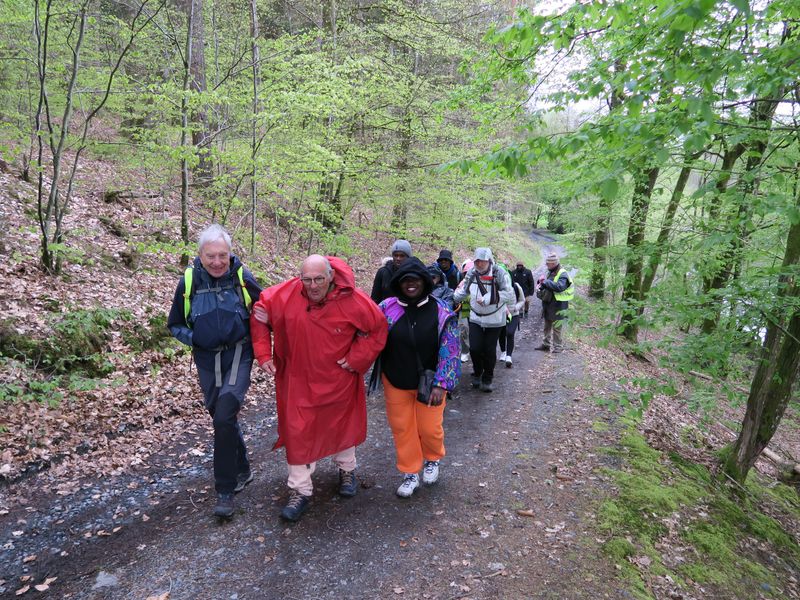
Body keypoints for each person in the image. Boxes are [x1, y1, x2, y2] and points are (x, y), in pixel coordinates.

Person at [250, 255, 387, 522]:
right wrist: (264, 355)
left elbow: (378, 328)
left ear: (331, 276)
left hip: (339, 378)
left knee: (342, 424)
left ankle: (347, 471)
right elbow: (258, 315)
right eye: (307, 280)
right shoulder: (285, 294)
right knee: (298, 431)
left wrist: (357, 359)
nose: (312, 286)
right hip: (298, 380)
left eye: (319, 279)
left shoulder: (353, 299)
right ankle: (300, 490)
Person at [167, 224, 262, 519]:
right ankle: (243, 468)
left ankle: (225, 490)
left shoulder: (242, 278)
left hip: (238, 354)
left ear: (231, 254)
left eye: (223, 255)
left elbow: (265, 311)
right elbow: (175, 324)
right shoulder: (189, 281)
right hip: (207, 359)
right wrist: (194, 339)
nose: (217, 262)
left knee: (223, 415)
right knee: (221, 417)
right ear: (201, 255)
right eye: (211, 256)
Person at [377, 258, 460, 498]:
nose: (410, 284)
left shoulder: (441, 310)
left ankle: (433, 459)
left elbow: (451, 349)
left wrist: (442, 384)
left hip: (430, 383)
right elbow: (366, 331)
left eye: (415, 280)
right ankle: (410, 472)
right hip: (395, 379)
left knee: (429, 428)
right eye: (405, 280)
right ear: (398, 283)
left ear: (424, 282)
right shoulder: (386, 308)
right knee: (402, 428)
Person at [453, 248, 515, 393]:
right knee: (474, 348)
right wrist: (454, 297)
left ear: (489, 261)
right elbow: (465, 290)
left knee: (488, 349)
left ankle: (487, 378)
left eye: (482, 261)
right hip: (475, 317)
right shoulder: (472, 272)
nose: (479, 264)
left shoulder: (499, 273)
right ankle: (477, 372)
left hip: (495, 319)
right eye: (477, 261)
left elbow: (509, 294)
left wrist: (489, 299)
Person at [535, 253, 574, 353]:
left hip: (559, 305)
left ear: (553, 263)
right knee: (547, 326)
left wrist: (546, 282)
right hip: (548, 303)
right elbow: (549, 285)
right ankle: (546, 344)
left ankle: (558, 347)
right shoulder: (551, 272)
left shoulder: (563, 273)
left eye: (548, 263)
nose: (547, 265)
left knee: (557, 328)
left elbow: (559, 287)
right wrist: (541, 284)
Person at [498, 280, 525, 367]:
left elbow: (522, 300)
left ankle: (509, 356)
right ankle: (503, 352)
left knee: (510, 333)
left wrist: (516, 308)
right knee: (501, 333)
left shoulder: (516, 286)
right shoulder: (498, 286)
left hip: (513, 315)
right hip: (501, 315)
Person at [456, 260, 473, 363]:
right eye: (466, 273)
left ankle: (475, 350)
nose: (468, 275)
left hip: (477, 311)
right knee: (463, 329)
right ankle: (465, 352)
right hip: (464, 310)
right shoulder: (462, 283)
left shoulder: (480, 283)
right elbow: (456, 294)